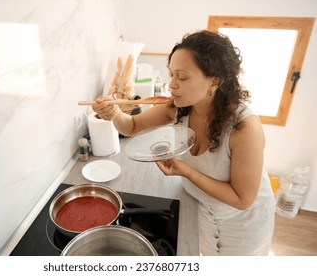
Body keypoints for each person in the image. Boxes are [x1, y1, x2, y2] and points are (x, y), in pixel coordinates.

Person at [92, 30, 275, 256]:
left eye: (183, 77)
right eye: (171, 75)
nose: (171, 85)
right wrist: (114, 114)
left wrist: (187, 172)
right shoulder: (178, 107)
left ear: (214, 81)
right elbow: (130, 127)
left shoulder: (244, 128)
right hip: (200, 207)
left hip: (243, 222)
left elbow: (242, 199)